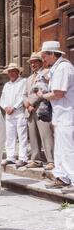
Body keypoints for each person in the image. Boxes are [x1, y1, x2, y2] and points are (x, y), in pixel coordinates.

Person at [38, 42, 74, 192]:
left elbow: (59, 93)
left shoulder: (64, 67)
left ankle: (72, 180)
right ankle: (62, 178)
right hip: (60, 115)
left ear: (53, 54)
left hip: (67, 114)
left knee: (68, 149)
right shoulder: (57, 68)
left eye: (44, 56)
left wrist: (43, 95)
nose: (43, 59)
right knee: (60, 150)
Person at [24, 52, 55, 171]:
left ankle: (51, 160)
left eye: (35, 62)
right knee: (33, 136)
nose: (33, 64)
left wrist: (30, 102)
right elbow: (24, 94)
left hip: (42, 109)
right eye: (31, 62)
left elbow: (43, 89)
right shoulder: (29, 78)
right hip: (30, 110)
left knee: (46, 135)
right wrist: (26, 103)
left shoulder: (46, 73)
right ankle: (36, 159)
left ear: (41, 62)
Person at [0, 63, 28, 168]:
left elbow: (23, 97)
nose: (11, 73)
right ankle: (10, 157)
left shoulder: (23, 82)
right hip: (9, 114)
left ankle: (23, 158)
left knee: (22, 136)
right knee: (9, 136)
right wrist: (5, 107)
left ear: (18, 72)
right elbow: (2, 99)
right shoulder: (7, 85)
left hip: (19, 112)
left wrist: (14, 107)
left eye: (13, 71)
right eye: (9, 72)